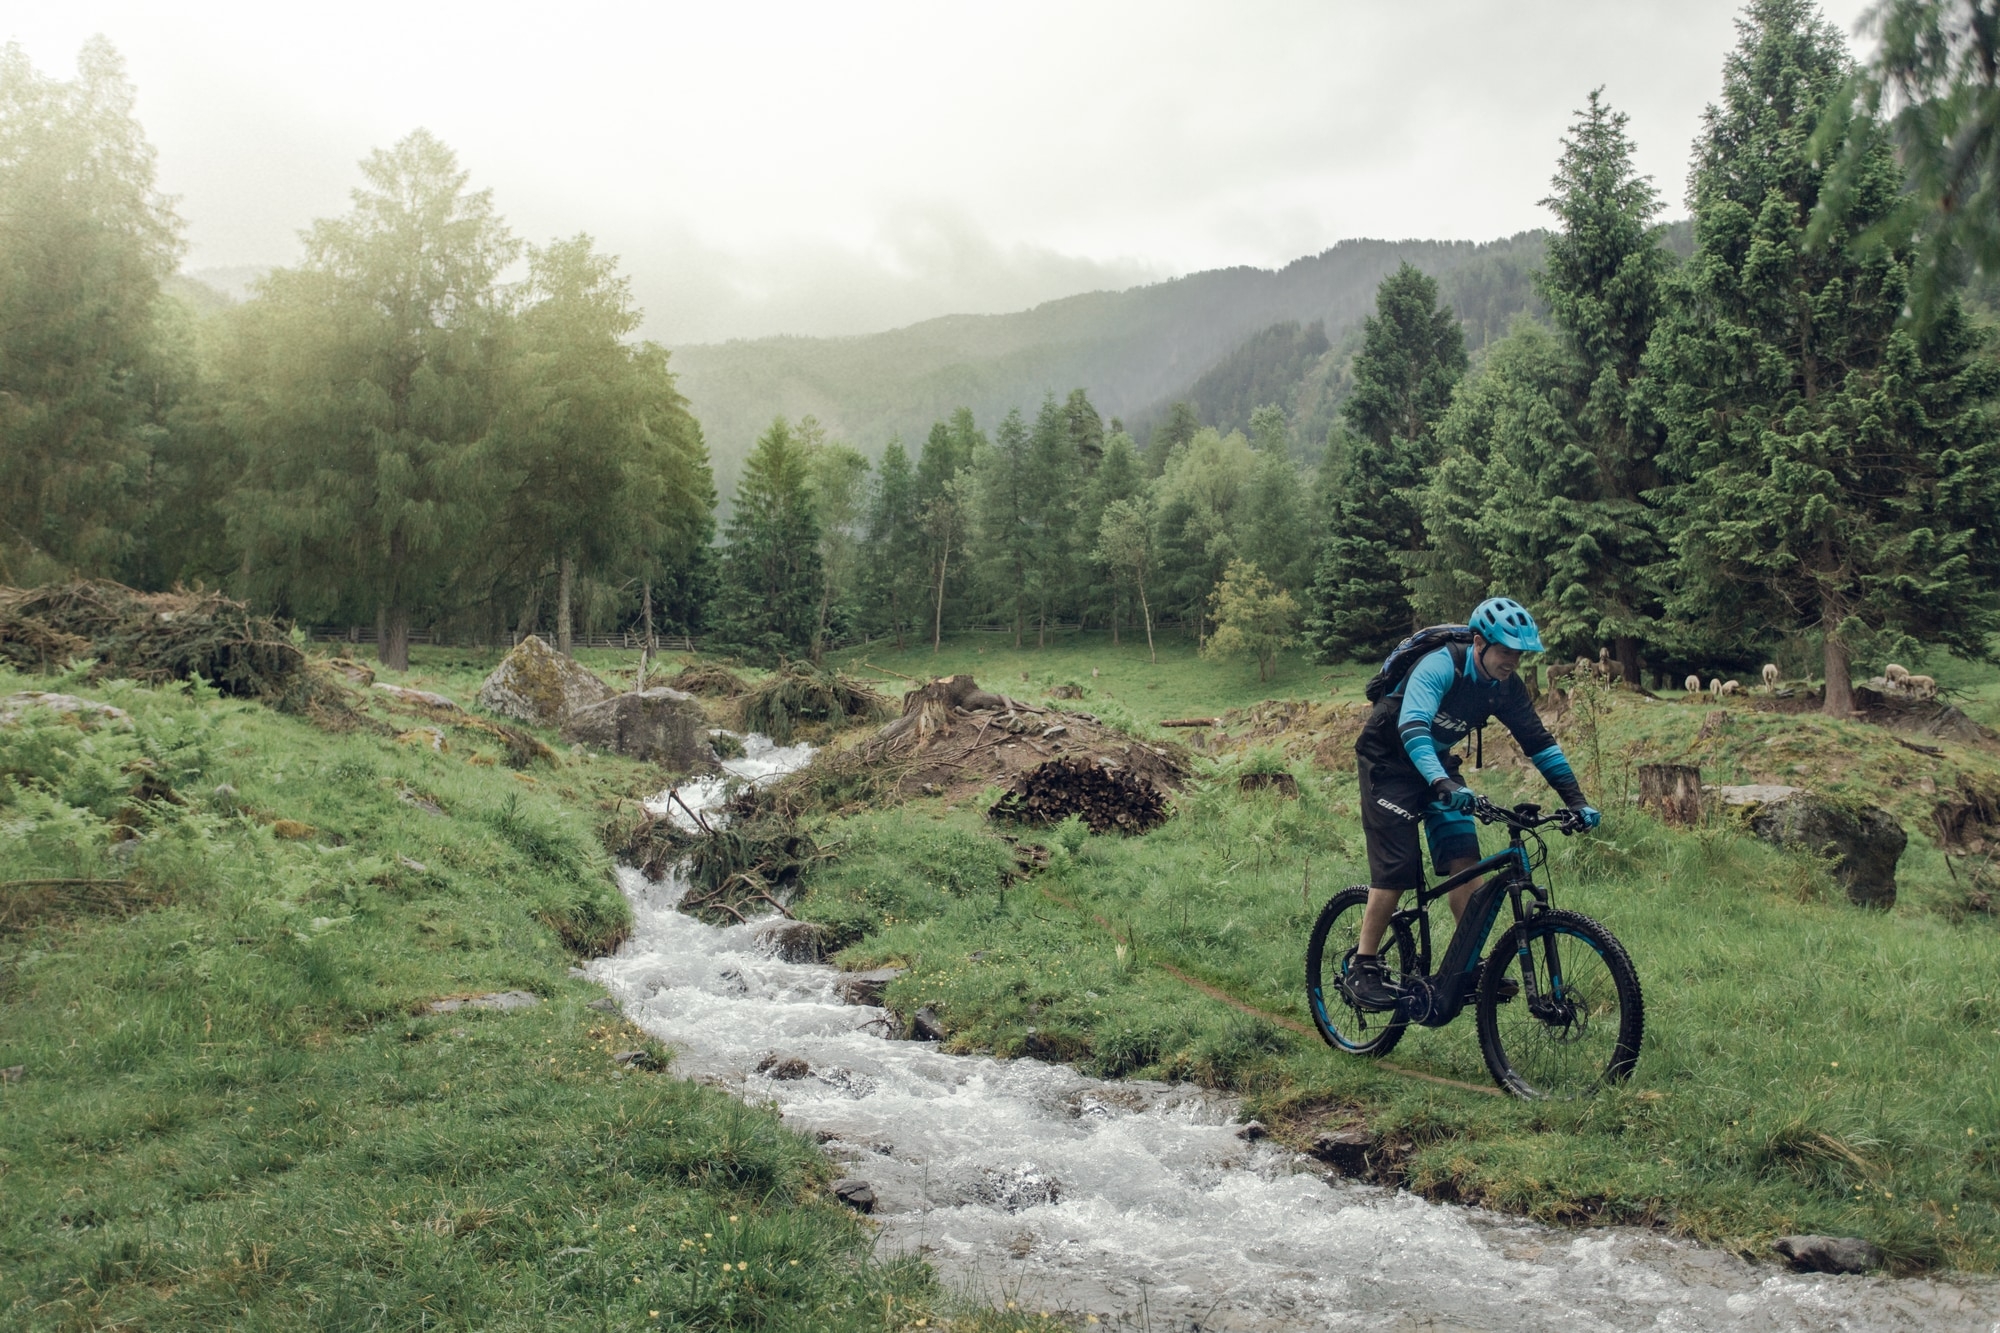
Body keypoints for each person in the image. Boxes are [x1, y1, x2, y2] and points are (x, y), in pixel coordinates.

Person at [1346, 597, 1601, 1011]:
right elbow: (1413, 725)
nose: (1513, 661)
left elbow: (1538, 743)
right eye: (1506, 651)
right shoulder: (1440, 666)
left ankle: (1467, 965)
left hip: (1437, 765)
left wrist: (1576, 800)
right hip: (1388, 762)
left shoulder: (1506, 687)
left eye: (1519, 654)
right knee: (1397, 867)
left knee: (1466, 860)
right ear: (1480, 643)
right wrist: (1442, 782)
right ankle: (1364, 965)